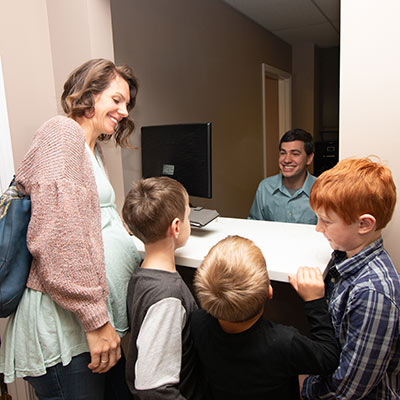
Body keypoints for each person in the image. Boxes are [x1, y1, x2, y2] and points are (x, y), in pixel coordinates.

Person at [0, 59, 141, 399]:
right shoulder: (61, 134)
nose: (124, 111)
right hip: (67, 326)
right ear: (89, 94)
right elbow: (57, 240)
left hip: (86, 322)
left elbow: (94, 221)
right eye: (116, 99)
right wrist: (96, 320)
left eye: (127, 104)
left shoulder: (91, 148)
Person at [190, 235, 340, 400]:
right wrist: (315, 302)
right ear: (270, 292)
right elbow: (328, 357)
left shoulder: (196, 323)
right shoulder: (285, 343)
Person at [301, 157, 400, 399]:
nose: (318, 228)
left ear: (364, 224)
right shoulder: (344, 257)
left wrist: (304, 386)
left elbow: (348, 390)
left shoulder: (373, 294)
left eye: (326, 220)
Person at [122, 177, 203, 399]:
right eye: (188, 214)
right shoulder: (167, 297)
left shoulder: (142, 276)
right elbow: (153, 389)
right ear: (176, 227)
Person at [249, 128, 317, 224]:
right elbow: (254, 225)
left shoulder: (322, 190)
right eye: (283, 153)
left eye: (295, 154)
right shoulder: (265, 187)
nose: (286, 160)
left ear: (309, 158)